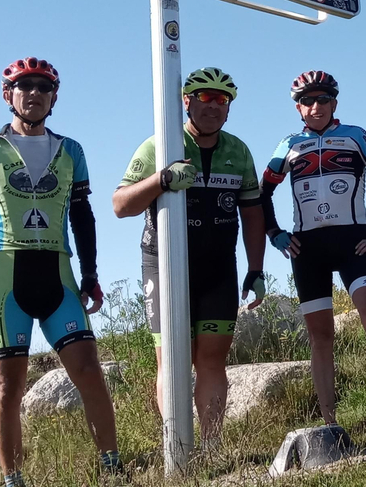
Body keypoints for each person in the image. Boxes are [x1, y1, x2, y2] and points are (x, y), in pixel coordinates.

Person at [0, 58, 120, 487]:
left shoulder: (72, 150)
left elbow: (83, 215)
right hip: (5, 274)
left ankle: (113, 467)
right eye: (24, 86)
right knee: (8, 386)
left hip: (58, 272)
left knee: (88, 371)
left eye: (44, 87)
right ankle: (13, 483)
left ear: (53, 98)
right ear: (8, 95)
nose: (34, 93)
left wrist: (91, 274)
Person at [259, 70, 366, 449]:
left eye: (323, 100)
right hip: (307, 249)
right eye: (307, 101)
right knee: (321, 336)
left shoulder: (355, 136)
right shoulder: (288, 144)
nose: (315, 107)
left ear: (335, 102)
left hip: (353, 242)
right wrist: (275, 233)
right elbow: (261, 191)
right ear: (297, 107)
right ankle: (330, 425)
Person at [112, 67, 266, 449]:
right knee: (173, 362)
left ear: (228, 109)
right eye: (203, 98)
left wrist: (257, 268)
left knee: (212, 361)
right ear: (186, 102)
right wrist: (161, 180)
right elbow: (120, 205)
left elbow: (252, 214)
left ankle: (212, 449)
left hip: (218, 267)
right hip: (165, 265)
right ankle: (176, 448)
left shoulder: (239, 151)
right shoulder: (161, 144)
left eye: (221, 100)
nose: (212, 106)